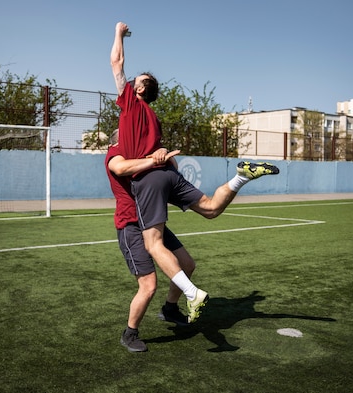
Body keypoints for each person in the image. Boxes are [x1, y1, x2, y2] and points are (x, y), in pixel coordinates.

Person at [110, 21, 279, 327]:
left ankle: (191, 293)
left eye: (137, 79)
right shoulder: (153, 118)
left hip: (149, 178)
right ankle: (240, 177)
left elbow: (116, 61)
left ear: (138, 89)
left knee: (153, 245)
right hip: (168, 172)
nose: (132, 79)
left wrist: (119, 33)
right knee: (212, 209)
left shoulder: (131, 106)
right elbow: (161, 159)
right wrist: (165, 165)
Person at [106, 130, 195, 352]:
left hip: (154, 223)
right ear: (119, 140)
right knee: (148, 285)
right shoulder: (115, 153)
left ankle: (170, 309)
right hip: (131, 226)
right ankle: (130, 333)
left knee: (187, 265)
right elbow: (120, 168)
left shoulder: (144, 152)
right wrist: (152, 160)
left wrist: (163, 153)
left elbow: (172, 168)